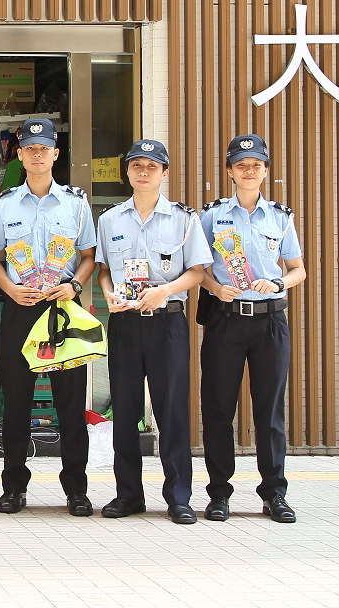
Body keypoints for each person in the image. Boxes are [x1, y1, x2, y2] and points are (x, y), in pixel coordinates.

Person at [0, 117, 97, 517]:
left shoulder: (76, 203)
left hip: (64, 308)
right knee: (17, 402)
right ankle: (14, 487)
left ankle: (76, 490)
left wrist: (75, 286)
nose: (36, 155)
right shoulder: (5, 204)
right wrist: (10, 290)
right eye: (29, 149)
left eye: (43, 149)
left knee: (70, 404)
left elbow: (89, 256)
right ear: (19, 155)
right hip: (22, 306)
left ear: (55, 154)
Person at [95, 140, 212, 525]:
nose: (143, 172)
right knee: (125, 410)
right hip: (125, 323)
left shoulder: (184, 219)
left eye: (151, 166)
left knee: (172, 410)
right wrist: (108, 294)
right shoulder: (110, 219)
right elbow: (104, 271)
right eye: (136, 166)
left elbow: (198, 272)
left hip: (168, 322)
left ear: (164, 172)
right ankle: (128, 494)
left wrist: (165, 290)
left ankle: (179, 497)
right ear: (127, 171)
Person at [199, 134, 306, 523]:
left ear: (265, 171)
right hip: (226, 320)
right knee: (218, 408)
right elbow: (198, 268)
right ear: (229, 171)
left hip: (270, 321)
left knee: (270, 410)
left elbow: (298, 270)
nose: (248, 171)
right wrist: (216, 288)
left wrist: (277, 283)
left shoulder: (280, 217)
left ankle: (274, 493)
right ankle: (219, 493)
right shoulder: (211, 216)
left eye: (256, 165)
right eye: (241, 165)